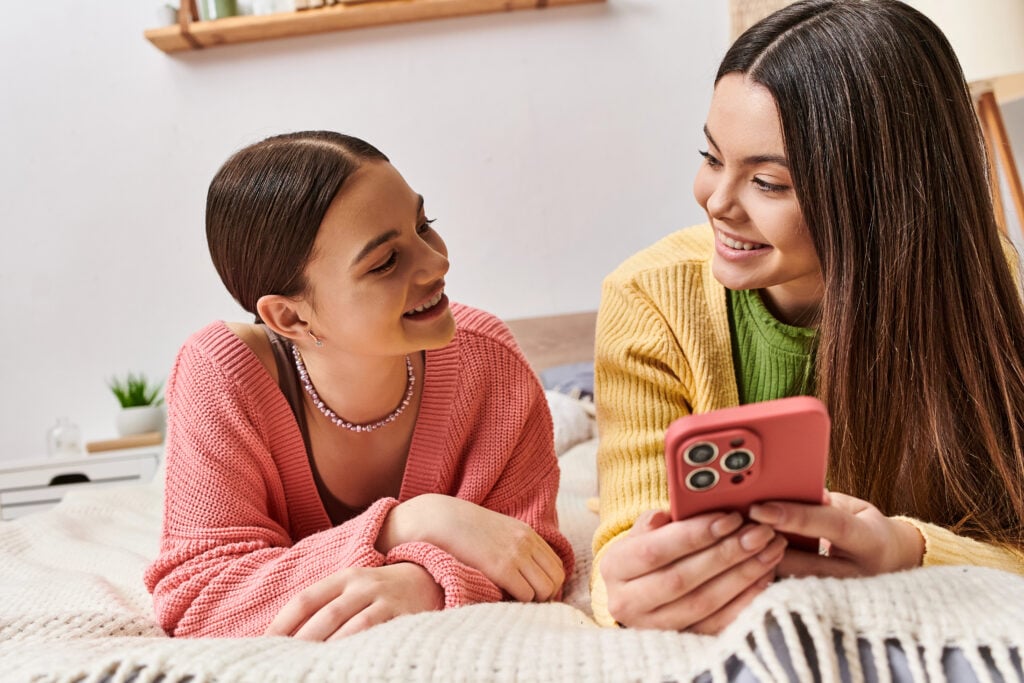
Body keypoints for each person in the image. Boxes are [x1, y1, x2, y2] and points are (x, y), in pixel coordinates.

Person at [591, 0, 1024, 633]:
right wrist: (631, 587)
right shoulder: (648, 299)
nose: (716, 201)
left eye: (768, 182)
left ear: (883, 192)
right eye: (711, 158)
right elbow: (621, 550)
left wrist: (910, 550)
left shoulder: (984, 289)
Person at [144, 131, 574, 639]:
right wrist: (413, 521)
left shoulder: (491, 367)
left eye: (423, 225)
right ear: (290, 318)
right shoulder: (223, 374)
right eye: (386, 262)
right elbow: (199, 596)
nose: (438, 264)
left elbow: (532, 561)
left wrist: (424, 583)